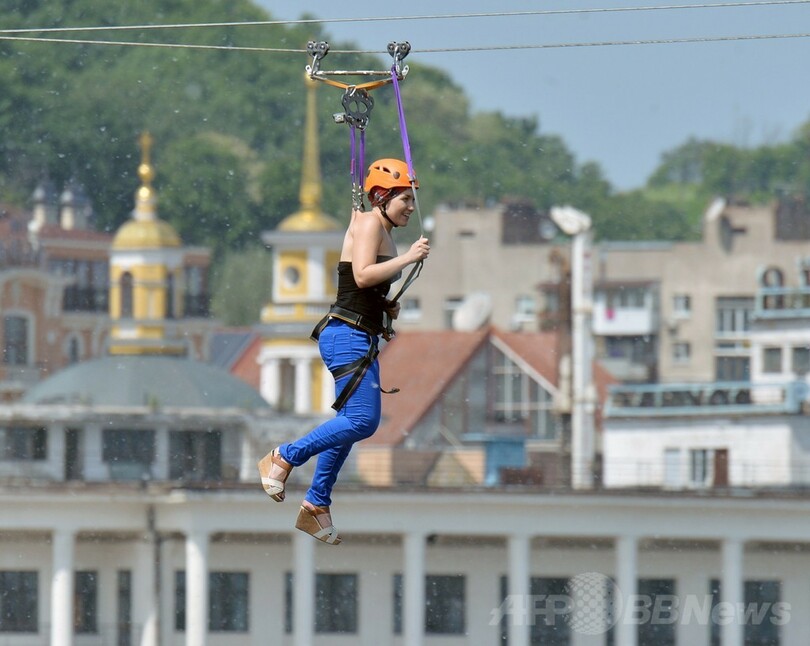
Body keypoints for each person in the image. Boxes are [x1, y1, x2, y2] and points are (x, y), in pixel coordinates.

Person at [258, 158, 430, 545]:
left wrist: (385, 307)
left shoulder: (381, 227)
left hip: (359, 336)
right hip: (346, 335)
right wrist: (408, 258)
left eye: (412, 200)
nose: (410, 208)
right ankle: (284, 456)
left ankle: (316, 504)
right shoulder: (370, 223)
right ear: (382, 197)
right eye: (405, 199)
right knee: (364, 422)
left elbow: (365, 288)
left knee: (350, 427)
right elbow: (362, 275)